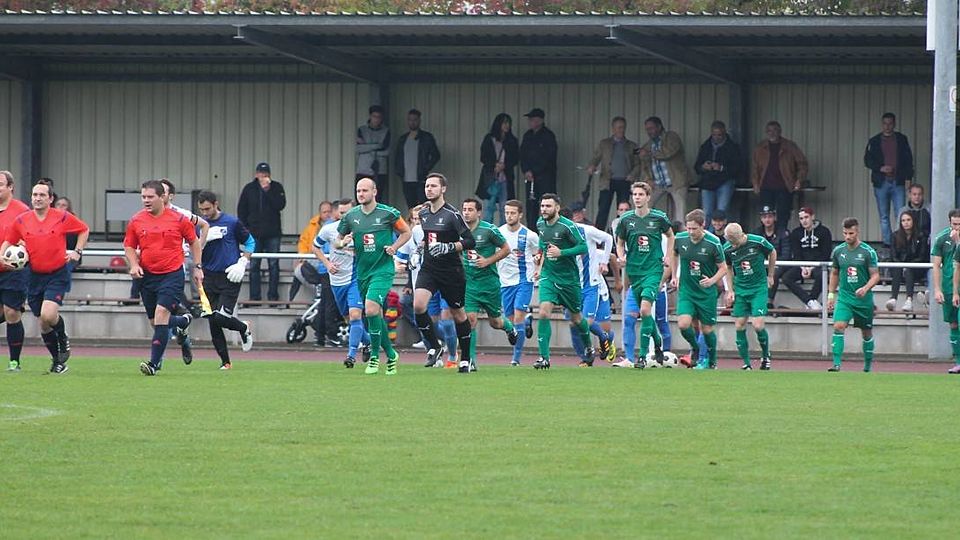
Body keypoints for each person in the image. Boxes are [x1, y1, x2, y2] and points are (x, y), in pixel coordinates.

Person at [2, 179, 89, 374]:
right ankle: (57, 361)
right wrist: (2, 256)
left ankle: (63, 337)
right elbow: (9, 241)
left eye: (42, 195)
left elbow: (84, 229)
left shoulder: (61, 217)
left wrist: (77, 251)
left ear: (50, 199)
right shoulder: (22, 220)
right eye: (35, 195)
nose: (37, 198)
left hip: (57, 273)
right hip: (34, 276)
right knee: (43, 323)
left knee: (48, 314)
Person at [124, 180, 202, 376]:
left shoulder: (179, 219)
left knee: (161, 315)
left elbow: (194, 242)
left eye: (150, 197)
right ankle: (182, 322)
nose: (146, 200)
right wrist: (134, 264)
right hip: (148, 276)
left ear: (162, 197)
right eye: (143, 197)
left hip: (172, 274)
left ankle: (153, 364)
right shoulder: (136, 220)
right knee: (155, 322)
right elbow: (129, 246)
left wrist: (198, 267)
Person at [336, 178, 410, 375]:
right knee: (374, 314)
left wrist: (394, 247)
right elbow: (336, 241)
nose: (361, 194)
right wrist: (342, 243)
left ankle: (375, 358)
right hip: (362, 272)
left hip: (383, 270)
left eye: (364, 190)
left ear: (374, 192)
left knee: (369, 309)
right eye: (358, 191)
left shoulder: (388, 213)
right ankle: (392, 355)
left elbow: (406, 232)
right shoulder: (351, 216)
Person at [412, 173, 477, 373]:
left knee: (458, 314)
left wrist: (449, 247)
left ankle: (465, 359)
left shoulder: (452, 214)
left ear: (443, 189)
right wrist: (417, 251)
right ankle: (435, 347)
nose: (429, 189)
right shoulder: (423, 213)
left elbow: (470, 241)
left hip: (451, 271)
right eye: (427, 186)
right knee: (418, 305)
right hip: (429, 268)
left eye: (433, 186)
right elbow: (428, 238)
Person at [615, 181, 673, 368]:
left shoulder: (659, 217)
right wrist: (621, 256)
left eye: (641, 194)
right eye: (635, 195)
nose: (637, 198)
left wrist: (668, 256)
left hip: (653, 270)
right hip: (634, 271)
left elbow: (671, 236)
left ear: (648, 197)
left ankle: (641, 356)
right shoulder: (626, 219)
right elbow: (620, 242)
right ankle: (657, 342)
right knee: (638, 314)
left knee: (645, 310)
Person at [195, 191, 255, 370]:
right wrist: (203, 240)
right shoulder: (199, 225)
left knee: (221, 317)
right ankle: (225, 362)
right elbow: (193, 249)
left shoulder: (232, 222)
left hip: (230, 275)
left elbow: (250, 242)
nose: (205, 213)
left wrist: (243, 262)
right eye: (201, 210)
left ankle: (243, 328)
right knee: (212, 320)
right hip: (208, 276)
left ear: (216, 204)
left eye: (207, 209)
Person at [532, 193, 592, 370]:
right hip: (549, 276)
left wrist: (562, 253)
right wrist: (539, 260)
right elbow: (543, 245)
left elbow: (583, 247)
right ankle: (544, 358)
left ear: (557, 208)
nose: (544, 209)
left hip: (568, 279)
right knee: (544, 312)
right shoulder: (540, 223)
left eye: (548, 206)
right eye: (542, 206)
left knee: (576, 318)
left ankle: (589, 347)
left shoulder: (568, 226)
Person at [395, 205, 458, 366]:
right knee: (426, 321)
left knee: (446, 320)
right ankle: (435, 353)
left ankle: (452, 355)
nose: (418, 222)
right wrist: (404, 266)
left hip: (445, 281)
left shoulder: (442, 230)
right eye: (415, 219)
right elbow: (399, 261)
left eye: (421, 218)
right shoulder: (410, 236)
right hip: (423, 285)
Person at [460, 197, 518, 370]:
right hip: (469, 283)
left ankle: (510, 328)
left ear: (479, 212)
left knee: (495, 322)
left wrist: (488, 261)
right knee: (470, 320)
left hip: (489, 283)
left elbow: (506, 249)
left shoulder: (489, 230)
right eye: (464, 209)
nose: (466, 213)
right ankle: (470, 360)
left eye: (470, 210)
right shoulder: (458, 230)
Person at [315, 198, 372, 369]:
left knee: (355, 315)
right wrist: (327, 264)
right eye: (341, 213)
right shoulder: (329, 229)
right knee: (349, 319)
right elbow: (315, 246)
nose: (345, 216)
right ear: (336, 213)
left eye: (348, 212)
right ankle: (369, 342)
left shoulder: (362, 229)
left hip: (355, 278)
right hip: (337, 281)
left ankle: (351, 355)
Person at [671, 209, 728, 369]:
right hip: (687, 290)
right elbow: (674, 254)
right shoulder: (680, 238)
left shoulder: (713, 242)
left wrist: (712, 281)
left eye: (694, 228)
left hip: (706, 292)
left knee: (707, 329)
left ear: (703, 226)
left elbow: (724, 268)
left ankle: (712, 360)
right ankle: (695, 348)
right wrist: (674, 275)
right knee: (683, 324)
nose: (690, 232)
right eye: (688, 228)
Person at [826, 217, 880, 372]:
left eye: (851, 233)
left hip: (863, 299)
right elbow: (834, 273)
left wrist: (865, 288)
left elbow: (876, 276)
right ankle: (836, 364)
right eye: (845, 233)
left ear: (857, 232)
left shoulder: (868, 252)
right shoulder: (838, 251)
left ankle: (867, 366)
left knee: (866, 333)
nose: (847, 236)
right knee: (838, 326)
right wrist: (831, 295)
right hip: (845, 297)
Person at [722, 223, 777, 370]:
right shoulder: (727, 249)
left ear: (741, 235)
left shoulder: (757, 241)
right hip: (741, 289)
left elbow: (772, 252)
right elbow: (727, 267)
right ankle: (746, 363)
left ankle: (765, 356)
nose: (733, 245)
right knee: (739, 324)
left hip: (758, 288)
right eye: (730, 242)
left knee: (758, 324)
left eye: (735, 242)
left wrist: (770, 275)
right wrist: (730, 290)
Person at [567, 216, 616, 367]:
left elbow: (609, 243)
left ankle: (606, 338)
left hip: (594, 286)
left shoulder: (587, 232)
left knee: (588, 323)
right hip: (573, 287)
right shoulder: (558, 237)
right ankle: (586, 358)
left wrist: (605, 264)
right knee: (574, 324)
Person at [237, 162, 286, 303]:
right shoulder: (249, 189)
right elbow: (241, 210)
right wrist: (245, 229)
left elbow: (280, 205)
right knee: (254, 265)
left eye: (265, 174)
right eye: (261, 174)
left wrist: (268, 191)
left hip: (273, 233)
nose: (263, 176)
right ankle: (255, 297)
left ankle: (273, 297)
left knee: (273, 264)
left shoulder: (276, 187)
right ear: (256, 174)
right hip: (254, 234)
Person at [498, 199, 539, 366]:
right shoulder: (498, 233)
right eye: (507, 212)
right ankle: (528, 320)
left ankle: (516, 358)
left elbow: (540, 253)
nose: (509, 216)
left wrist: (538, 268)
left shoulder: (530, 235)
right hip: (505, 282)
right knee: (510, 321)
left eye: (513, 213)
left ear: (520, 215)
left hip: (524, 280)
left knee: (518, 318)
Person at [864, 112, 915, 247]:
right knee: (884, 215)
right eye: (885, 123)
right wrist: (880, 168)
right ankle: (888, 243)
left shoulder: (901, 139)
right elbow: (867, 160)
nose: (887, 126)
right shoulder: (874, 141)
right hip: (881, 182)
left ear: (894, 124)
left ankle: (901, 242)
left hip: (898, 181)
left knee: (901, 213)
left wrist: (908, 179)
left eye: (890, 123)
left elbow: (908, 160)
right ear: (882, 124)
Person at [0, 171, 32, 372]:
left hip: (14, 271)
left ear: (10, 187)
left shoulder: (22, 211)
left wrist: (22, 246)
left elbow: (30, 235)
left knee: (12, 312)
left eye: (0, 184)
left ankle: (14, 362)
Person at [751, 121, 809, 231]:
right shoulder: (760, 148)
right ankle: (767, 237)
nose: (772, 133)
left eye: (775, 130)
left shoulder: (790, 146)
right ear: (766, 132)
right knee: (766, 215)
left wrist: (799, 180)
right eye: (769, 131)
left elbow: (802, 164)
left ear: (780, 131)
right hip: (766, 187)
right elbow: (755, 168)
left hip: (785, 187)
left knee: (783, 215)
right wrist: (755, 183)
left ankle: (782, 237)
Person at [587, 116, 640, 232]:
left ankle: (622, 233)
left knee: (623, 210)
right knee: (603, 210)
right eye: (618, 127)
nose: (621, 130)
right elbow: (596, 158)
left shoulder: (632, 146)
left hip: (625, 181)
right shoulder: (604, 144)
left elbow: (638, 164)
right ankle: (599, 235)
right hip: (607, 181)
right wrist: (592, 166)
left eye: (623, 127)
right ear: (613, 128)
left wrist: (632, 175)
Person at [638, 116, 692, 222]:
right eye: (647, 129)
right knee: (644, 205)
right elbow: (644, 166)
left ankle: (680, 231)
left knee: (680, 213)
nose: (649, 131)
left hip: (676, 182)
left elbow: (668, 153)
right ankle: (645, 227)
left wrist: (649, 153)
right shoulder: (648, 145)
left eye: (651, 128)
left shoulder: (671, 137)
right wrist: (648, 179)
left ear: (659, 127)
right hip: (657, 184)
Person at [694, 120, 743, 227]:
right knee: (706, 213)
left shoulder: (732, 147)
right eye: (714, 135)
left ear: (724, 133)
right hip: (707, 183)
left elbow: (738, 168)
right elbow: (697, 167)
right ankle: (708, 234)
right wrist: (703, 167)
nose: (716, 137)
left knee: (722, 212)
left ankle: (720, 235)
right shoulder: (705, 146)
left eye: (719, 135)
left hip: (725, 181)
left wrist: (721, 168)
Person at [783, 207, 832, 310]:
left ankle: (812, 300)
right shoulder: (796, 233)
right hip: (802, 266)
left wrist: (811, 268)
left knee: (822, 275)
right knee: (786, 278)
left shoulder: (824, 231)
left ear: (812, 217)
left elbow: (826, 254)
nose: (804, 221)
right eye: (801, 218)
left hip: (818, 265)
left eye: (806, 217)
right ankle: (810, 301)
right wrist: (803, 267)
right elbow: (796, 253)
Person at [477, 113, 520, 226]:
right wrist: (494, 165)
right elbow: (483, 157)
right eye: (504, 123)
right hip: (491, 178)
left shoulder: (512, 140)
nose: (507, 125)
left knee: (504, 208)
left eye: (508, 123)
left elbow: (515, 158)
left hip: (505, 178)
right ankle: (487, 231)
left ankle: (503, 232)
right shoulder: (489, 139)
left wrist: (505, 165)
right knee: (488, 208)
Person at [519, 108, 558, 229]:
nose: (530, 122)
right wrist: (526, 170)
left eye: (533, 119)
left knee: (546, 204)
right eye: (530, 120)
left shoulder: (548, 136)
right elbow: (522, 155)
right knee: (531, 205)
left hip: (545, 177)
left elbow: (549, 157)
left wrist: (535, 171)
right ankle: (532, 229)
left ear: (540, 120)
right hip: (530, 178)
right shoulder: (528, 136)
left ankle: (547, 229)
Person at [932, 210, 960, 374]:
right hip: (949, 287)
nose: (957, 227)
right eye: (954, 224)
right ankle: (958, 362)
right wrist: (937, 289)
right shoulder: (942, 238)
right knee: (953, 324)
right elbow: (936, 265)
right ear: (950, 223)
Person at [396, 109, 441, 209]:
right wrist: (399, 171)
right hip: (406, 179)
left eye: (415, 120)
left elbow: (436, 155)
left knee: (424, 206)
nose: (412, 122)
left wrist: (425, 168)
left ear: (419, 121)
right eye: (410, 120)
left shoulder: (426, 137)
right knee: (411, 207)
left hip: (420, 178)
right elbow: (398, 157)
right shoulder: (403, 139)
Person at [886, 210, 929, 312]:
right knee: (897, 268)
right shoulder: (895, 236)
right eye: (903, 220)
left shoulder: (921, 236)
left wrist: (908, 265)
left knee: (909, 269)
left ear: (913, 221)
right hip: (899, 267)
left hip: (916, 267)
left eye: (908, 220)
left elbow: (922, 256)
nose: (906, 223)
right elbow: (893, 256)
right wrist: (902, 265)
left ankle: (909, 300)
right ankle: (893, 299)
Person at [290, 200, 330, 302]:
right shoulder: (311, 227)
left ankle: (318, 290)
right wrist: (302, 256)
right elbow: (303, 243)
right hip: (312, 257)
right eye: (324, 212)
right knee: (298, 269)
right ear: (320, 213)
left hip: (326, 259)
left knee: (301, 269)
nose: (327, 214)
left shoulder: (334, 225)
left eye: (329, 211)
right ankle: (291, 299)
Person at [754, 205, 791, 307]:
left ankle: (769, 301)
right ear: (761, 219)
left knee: (774, 273)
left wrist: (771, 263)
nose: (767, 220)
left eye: (770, 216)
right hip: (762, 264)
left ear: (774, 217)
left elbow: (786, 255)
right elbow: (754, 253)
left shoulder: (783, 232)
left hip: (779, 264)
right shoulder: (757, 233)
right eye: (764, 217)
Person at [356, 105, 391, 204]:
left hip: (380, 171)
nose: (376, 119)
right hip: (363, 170)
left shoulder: (386, 131)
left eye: (379, 117)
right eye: (374, 116)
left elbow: (386, 151)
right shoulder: (362, 130)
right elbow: (358, 149)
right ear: (370, 116)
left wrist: (367, 146)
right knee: (361, 198)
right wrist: (377, 146)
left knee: (378, 198)